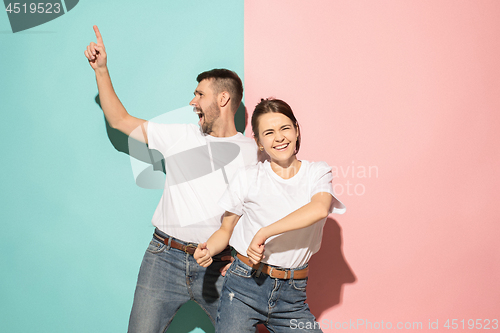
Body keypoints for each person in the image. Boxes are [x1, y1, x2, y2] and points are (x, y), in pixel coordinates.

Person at [84, 25, 258, 332]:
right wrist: (101, 70)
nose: (193, 102)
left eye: (199, 94)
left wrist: (243, 260)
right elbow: (120, 120)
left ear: (223, 98)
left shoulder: (253, 154)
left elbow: (261, 214)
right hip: (163, 260)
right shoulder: (180, 136)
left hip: (219, 267)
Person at [194, 98, 346, 332]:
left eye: (285, 128)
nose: (279, 137)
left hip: (292, 296)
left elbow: (319, 208)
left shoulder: (317, 172)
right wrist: (208, 250)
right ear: (259, 142)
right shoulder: (247, 177)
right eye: (269, 132)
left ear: (296, 130)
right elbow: (225, 229)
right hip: (243, 286)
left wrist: (264, 232)